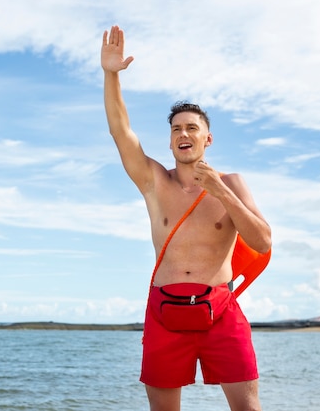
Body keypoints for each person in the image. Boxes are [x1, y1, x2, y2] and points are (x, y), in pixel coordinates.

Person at [101, 25, 272, 411]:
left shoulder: (232, 183)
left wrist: (221, 192)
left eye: (192, 128)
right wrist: (111, 75)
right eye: (176, 128)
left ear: (207, 139)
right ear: (170, 140)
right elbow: (120, 131)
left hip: (221, 311)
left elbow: (262, 241)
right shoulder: (153, 182)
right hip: (164, 313)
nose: (184, 133)